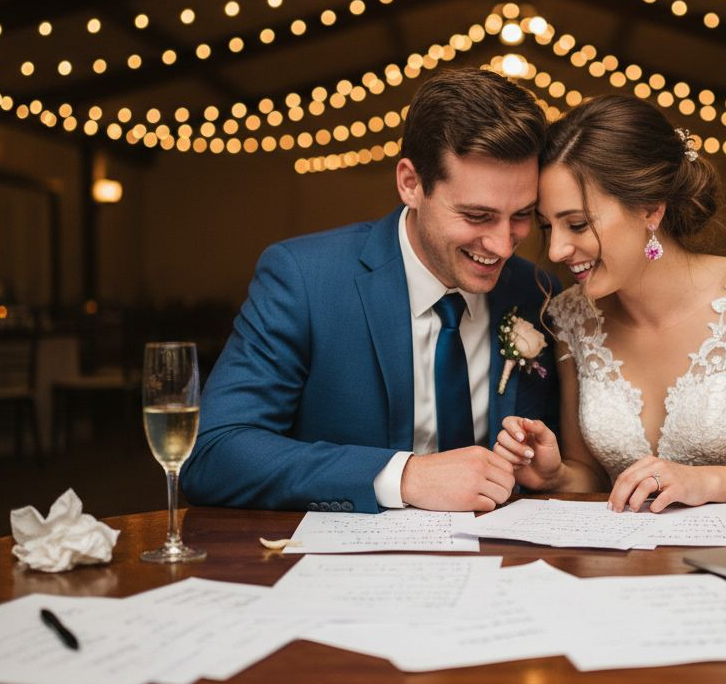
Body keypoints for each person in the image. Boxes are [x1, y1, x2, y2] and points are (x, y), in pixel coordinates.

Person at [181, 68, 560, 513]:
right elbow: (214, 453)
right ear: (411, 184)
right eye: (477, 216)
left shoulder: (537, 293)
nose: (502, 245)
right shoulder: (305, 279)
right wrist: (404, 476)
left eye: (521, 215)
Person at [495, 94, 726, 513]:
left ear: (651, 209)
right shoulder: (571, 319)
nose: (557, 250)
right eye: (547, 226)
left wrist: (708, 481)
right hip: (629, 551)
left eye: (577, 224)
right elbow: (591, 475)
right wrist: (555, 475)